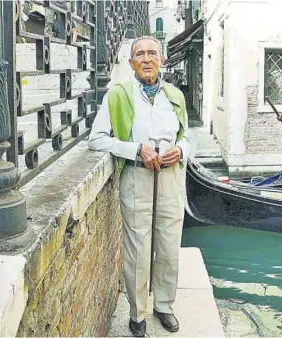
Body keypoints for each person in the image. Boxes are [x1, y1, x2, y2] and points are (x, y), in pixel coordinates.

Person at [88, 36, 191, 337]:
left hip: (171, 177)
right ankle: (138, 313)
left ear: (162, 60)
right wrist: (136, 149)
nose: (147, 59)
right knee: (138, 249)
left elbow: (187, 136)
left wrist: (181, 150)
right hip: (137, 177)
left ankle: (164, 306)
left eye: (152, 54)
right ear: (131, 62)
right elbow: (97, 139)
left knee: (170, 246)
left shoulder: (174, 95)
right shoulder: (118, 95)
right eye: (140, 54)